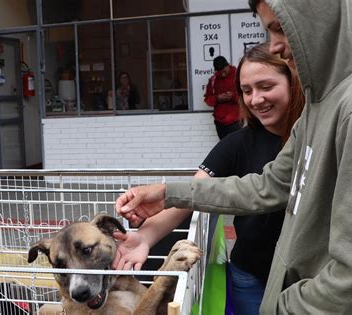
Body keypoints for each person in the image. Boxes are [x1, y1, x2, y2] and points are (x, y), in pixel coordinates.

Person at [116, 0, 352, 313]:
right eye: (246, 90)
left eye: (282, 29)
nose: (276, 45)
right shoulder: (320, 106)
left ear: (321, 18)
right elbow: (267, 186)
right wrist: (168, 193)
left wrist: (283, 306)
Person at [113, 43, 305, 314]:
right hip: (250, 275)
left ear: (292, 81)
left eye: (266, 86)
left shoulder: (314, 136)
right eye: (247, 91)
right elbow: (193, 193)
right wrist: (144, 237)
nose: (256, 99)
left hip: (305, 279)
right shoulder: (237, 143)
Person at [204, 56, 241, 139]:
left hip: (236, 120)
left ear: (227, 65)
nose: (222, 74)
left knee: (238, 147)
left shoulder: (239, 76)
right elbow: (208, 99)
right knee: (224, 148)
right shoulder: (213, 80)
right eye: (220, 72)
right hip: (219, 122)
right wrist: (217, 98)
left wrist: (232, 97)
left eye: (224, 71)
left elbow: (246, 97)